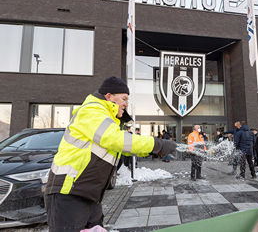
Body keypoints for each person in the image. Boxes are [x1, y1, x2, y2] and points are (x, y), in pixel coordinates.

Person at [44, 76, 177, 232]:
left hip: (88, 194)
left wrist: (157, 149)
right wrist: (158, 144)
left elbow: (123, 146)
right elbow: (115, 139)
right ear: (109, 96)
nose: (126, 104)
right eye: (124, 98)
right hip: (68, 194)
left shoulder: (107, 119)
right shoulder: (91, 111)